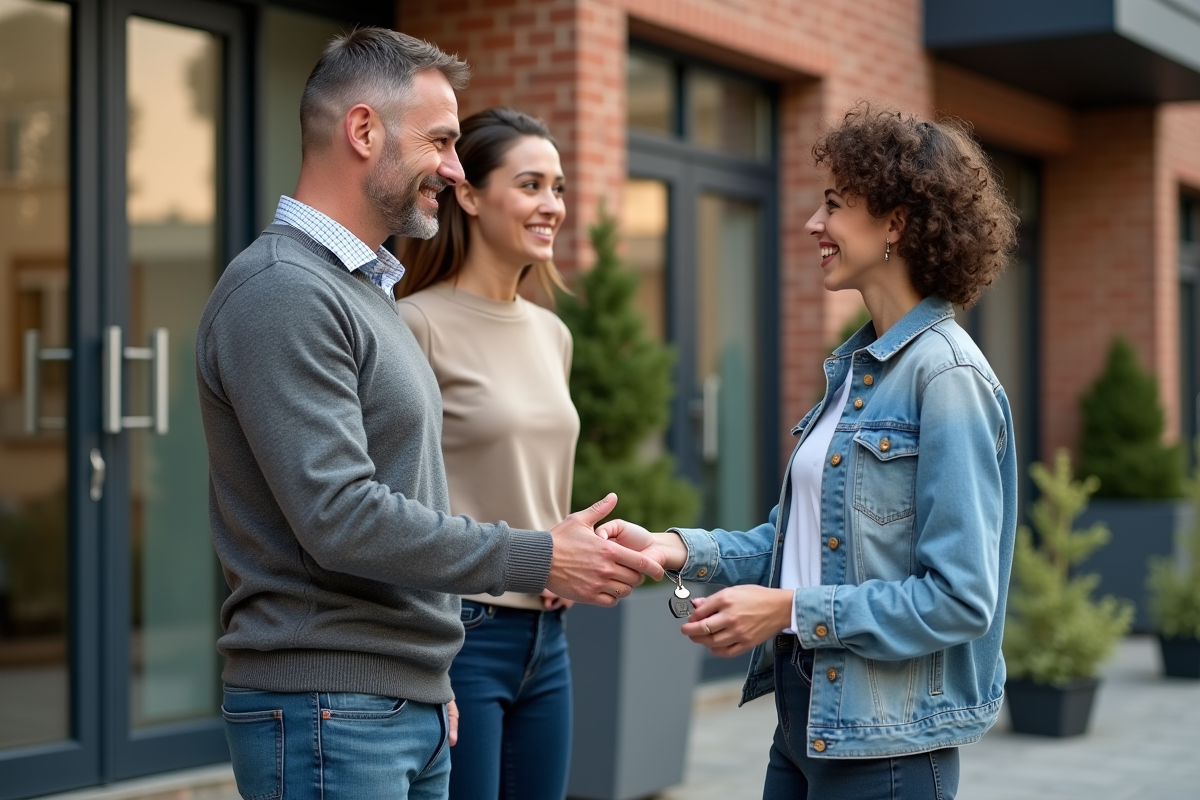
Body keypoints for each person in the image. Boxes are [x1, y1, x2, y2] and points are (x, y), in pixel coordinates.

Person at [196, 29, 663, 800]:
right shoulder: (282, 291)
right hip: (330, 709)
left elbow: (413, 493)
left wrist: (431, 672)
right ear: (363, 130)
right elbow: (340, 516)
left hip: (396, 699)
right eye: (441, 141)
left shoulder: (364, 292)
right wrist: (537, 556)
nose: (453, 166)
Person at [602, 104, 1020, 800]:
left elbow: (959, 599)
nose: (811, 224)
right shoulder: (857, 370)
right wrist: (676, 548)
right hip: (808, 715)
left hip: (887, 744)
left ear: (896, 223)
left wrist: (788, 611)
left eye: (833, 204)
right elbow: (803, 543)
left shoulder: (947, 377)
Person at [396, 106, 578, 800]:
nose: (552, 205)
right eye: (531, 185)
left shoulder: (552, 333)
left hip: (547, 636)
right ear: (469, 196)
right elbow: (398, 498)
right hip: (461, 630)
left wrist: (561, 550)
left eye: (558, 188)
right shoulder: (416, 324)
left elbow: (531, 470)